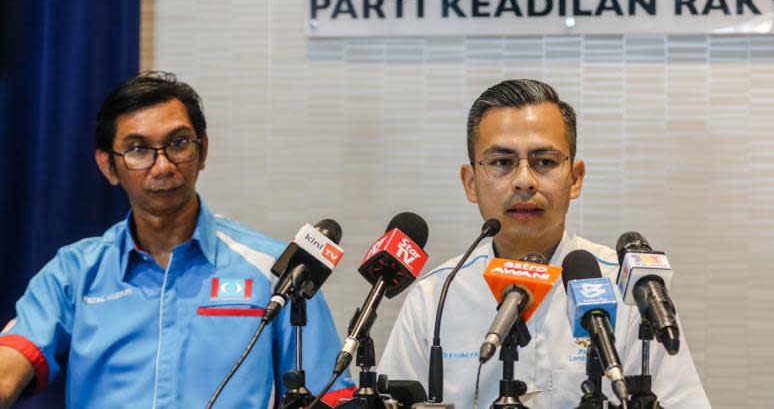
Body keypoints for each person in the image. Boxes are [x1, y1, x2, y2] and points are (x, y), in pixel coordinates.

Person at [0, 72, 354, 408]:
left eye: (178, 143)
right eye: (138, 149)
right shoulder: (73, 273)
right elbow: (7, 375)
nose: (163, 166)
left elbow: (328, 394)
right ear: (108, 166)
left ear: (202, 151)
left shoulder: (277, 270)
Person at [379, 79, 711, 408]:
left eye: (545, 162)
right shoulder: (437, 296)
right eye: (502, 162)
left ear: (575, 178)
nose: (524, 180)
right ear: (471, 183)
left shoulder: (628, 291)